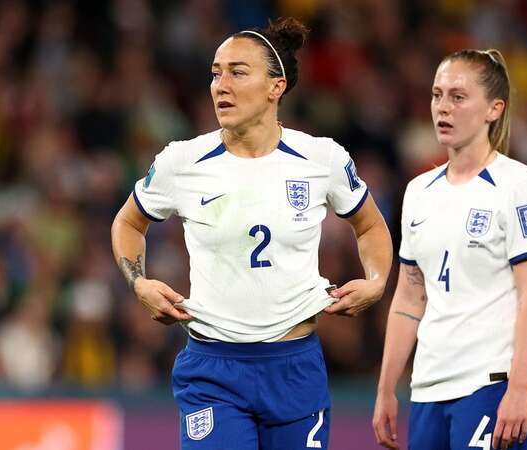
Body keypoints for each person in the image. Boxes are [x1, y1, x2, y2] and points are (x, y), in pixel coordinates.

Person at [111, 18, 392, 450]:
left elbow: (370, 225)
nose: (221, 84)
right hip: (213, 369)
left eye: (238, 72)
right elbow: (128, 222)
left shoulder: (322, 159)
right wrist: (139, 282)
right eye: (215, 72)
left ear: (276, 86)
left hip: (295, 367)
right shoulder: (181, 162)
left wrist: (376, 282)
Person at [372, 49, 527, 450]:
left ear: (494, 108)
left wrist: (519, 388)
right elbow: (409, 296)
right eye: (437, 95)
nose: (443, 107)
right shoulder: (418, 191)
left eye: (458, 96)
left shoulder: (518, 186)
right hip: (427, 389)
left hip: (492, 384)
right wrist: (387, 387)